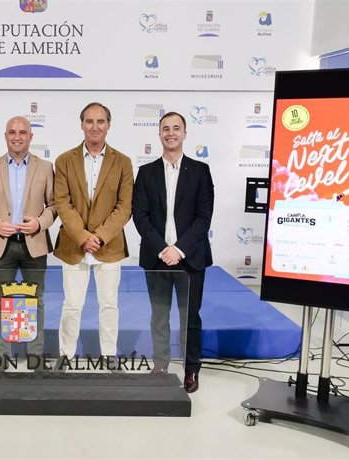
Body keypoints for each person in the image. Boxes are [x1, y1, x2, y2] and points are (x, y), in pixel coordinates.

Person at [132, 111, 214, 393]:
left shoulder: (200, 171)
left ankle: (191, 368)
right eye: (165, 128)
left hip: (190, 258)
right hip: (156, 258)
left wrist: (178, 250)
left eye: (176, 128)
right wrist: (162, 249)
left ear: (185, 133)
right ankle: (161, 364)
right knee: (159, 315)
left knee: (190, 317)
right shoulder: (145, 172)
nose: (171, 133)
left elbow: (204, 217)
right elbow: (139, 216)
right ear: (159, 134)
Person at [53, 102, 133, 371]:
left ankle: (109, 356)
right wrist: (82, 236)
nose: (95, 127)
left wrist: (98, 236)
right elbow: (62, 203)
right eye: (89, 121)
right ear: (81, 125)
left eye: (100, 121)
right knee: (72, 305)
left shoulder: (123, 162)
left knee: (109, 304)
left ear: (109, 125)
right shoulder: (64, 160)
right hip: (74, 246)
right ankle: (65, 356)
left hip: (109, 246)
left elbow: (124, 207)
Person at [0, 116, 56, 371]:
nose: (17, 136)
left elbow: (55, 205)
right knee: (1, 301)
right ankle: (2, 355)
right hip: (2, 244)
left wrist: (40, 223)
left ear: (31, 137)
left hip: (34, 244)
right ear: (5, 135)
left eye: (23, 132)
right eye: (12, 132)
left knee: (36, 300)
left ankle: (35, 356)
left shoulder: (45, 167)